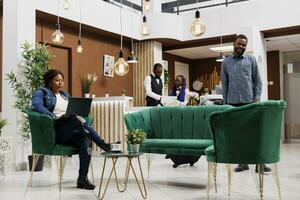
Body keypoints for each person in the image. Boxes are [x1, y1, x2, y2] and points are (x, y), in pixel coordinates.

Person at [32, 69, 111, 190]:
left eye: (62, 81)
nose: (60, 83)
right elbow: (36, 105)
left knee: (85, 140)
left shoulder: (65, 95)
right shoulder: (42, 92)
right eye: (56, 80)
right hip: (57, 128)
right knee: (74, 118)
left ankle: (83, 179)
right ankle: (103, 144)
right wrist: (53, 116)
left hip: (72, 127)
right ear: (49, 81)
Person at [221, 34, 271, 173]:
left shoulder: (251, 60)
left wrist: (256, 99)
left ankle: (260, 163)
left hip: (250, 102)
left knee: (255, 134)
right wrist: (225, 104)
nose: (241, 47)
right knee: (238, 135)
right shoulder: (226, 62)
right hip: (233, 104)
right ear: (234, 43)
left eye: (244, 45)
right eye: (239, 44)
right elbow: (225, 85)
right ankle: (243, 163)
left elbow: (258, 82)